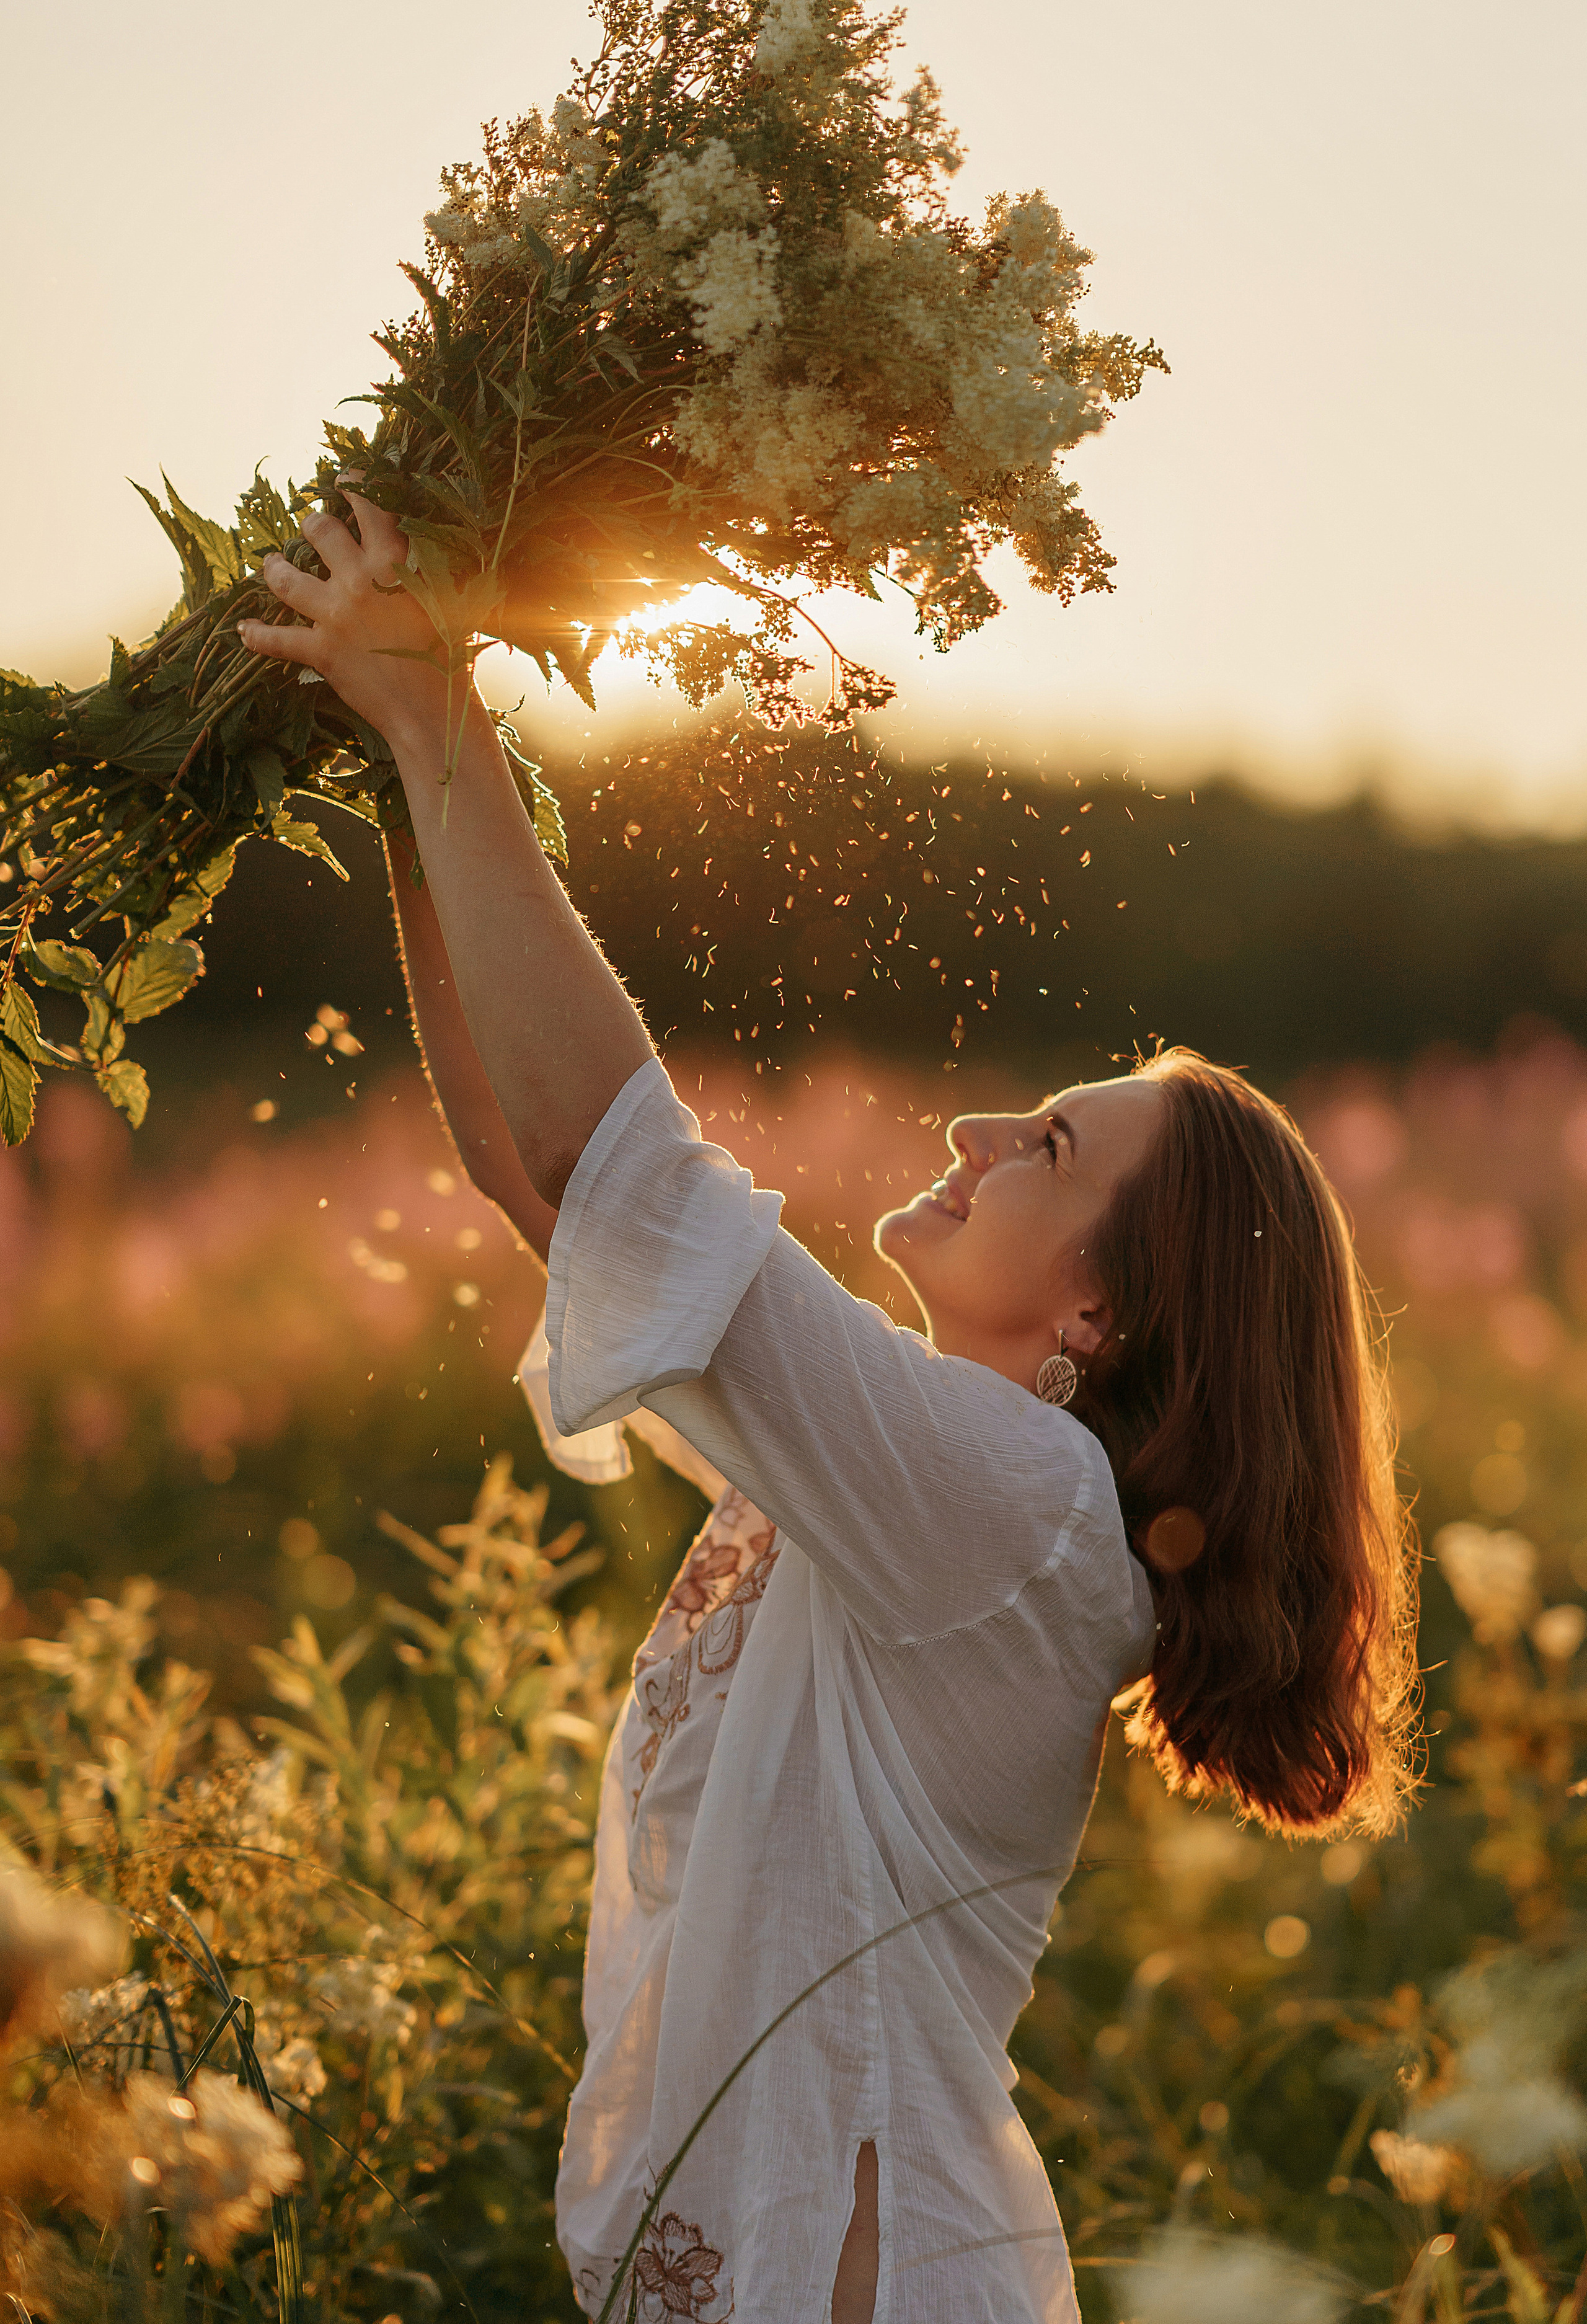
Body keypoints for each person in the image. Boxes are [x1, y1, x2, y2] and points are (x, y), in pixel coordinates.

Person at [240, 505, 1418, 2324]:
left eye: (1048, 1145)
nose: (972, 1133)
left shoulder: (1013, 1506)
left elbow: (602, 1155)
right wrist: (402, 765)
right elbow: (548, 1188)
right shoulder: (918, 1480)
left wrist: (446, 721)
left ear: (1101, 1308)